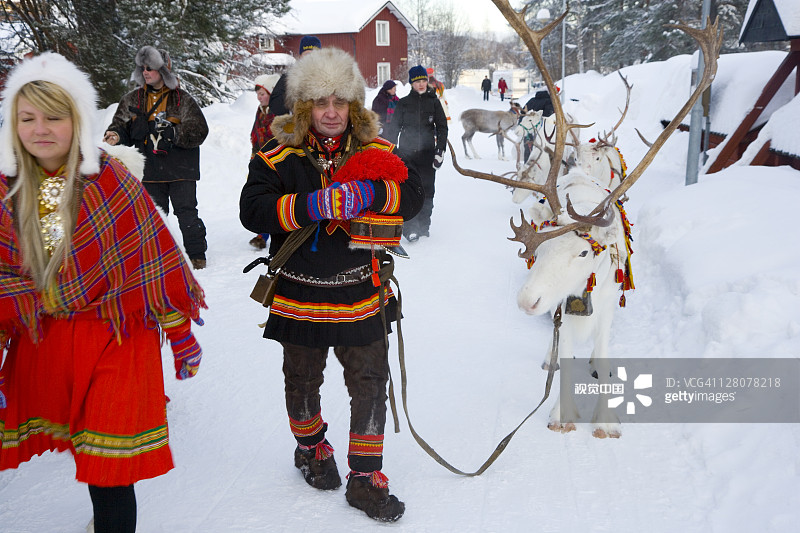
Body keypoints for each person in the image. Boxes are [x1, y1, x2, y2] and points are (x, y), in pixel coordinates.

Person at [0, 53, 206, 533]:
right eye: (27, 118)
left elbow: (154, 266)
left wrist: (180, 334)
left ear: (77, 120)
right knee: (82, 447)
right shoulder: (7, 191)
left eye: (55, 116)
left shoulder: (111, 182)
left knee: (109, 463)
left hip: (117, 335)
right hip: (47, 338)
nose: (40, 129)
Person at [240, 47, 423, 522]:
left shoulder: (375, 151)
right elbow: (252, 210)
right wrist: (312, 205)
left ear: (353, 106)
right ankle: (311, 448)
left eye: (340, 101)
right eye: (320, 102)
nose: (331, 112)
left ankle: (365, 476)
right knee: (301, 379)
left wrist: (373, 192)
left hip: (361, 288)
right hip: (299, 290)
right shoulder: (277, 155)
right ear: (304, 106)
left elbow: (413, 195)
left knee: (370, 382)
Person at [103, 46, 209, 270]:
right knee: (151, 217)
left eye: (150, 68)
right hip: (149, 169)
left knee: (187, 214)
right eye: (142, 68)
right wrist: (115, 135)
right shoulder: (132, 99)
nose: (145, 72)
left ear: (163, 70)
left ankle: (197, 256)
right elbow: (120, 125)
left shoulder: (182, 100)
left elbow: (200, 130)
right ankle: (155, 258)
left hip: (181, 169)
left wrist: (174, 134)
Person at [384, 65, 448, 242]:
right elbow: (394, 129)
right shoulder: (404, 103)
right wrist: (390, 152)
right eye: (417, 81)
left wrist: (440, 150)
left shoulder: (434, 102)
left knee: (428, 191)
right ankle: (410, 227)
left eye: (423, 80)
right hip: (407, 155)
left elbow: (442, 127)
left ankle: (424, 226)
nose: (421, 84)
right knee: (409, 190)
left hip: (428, 154)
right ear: (411, 83)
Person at [248, 73, 281, 250]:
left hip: (277, 161)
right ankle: (263, 233)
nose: (259, 98)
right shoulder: (260, 112)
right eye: (258, 95)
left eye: (262, 94)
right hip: (261, 160)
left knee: (273, 196)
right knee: (261, 195)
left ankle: (268, 233)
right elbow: (255, 136)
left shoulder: (278, 112)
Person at [268, 35, 321, 117]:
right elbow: (276, 108)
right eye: (307, 55)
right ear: (300, 57)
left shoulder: (328, 77)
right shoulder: (289, 77)